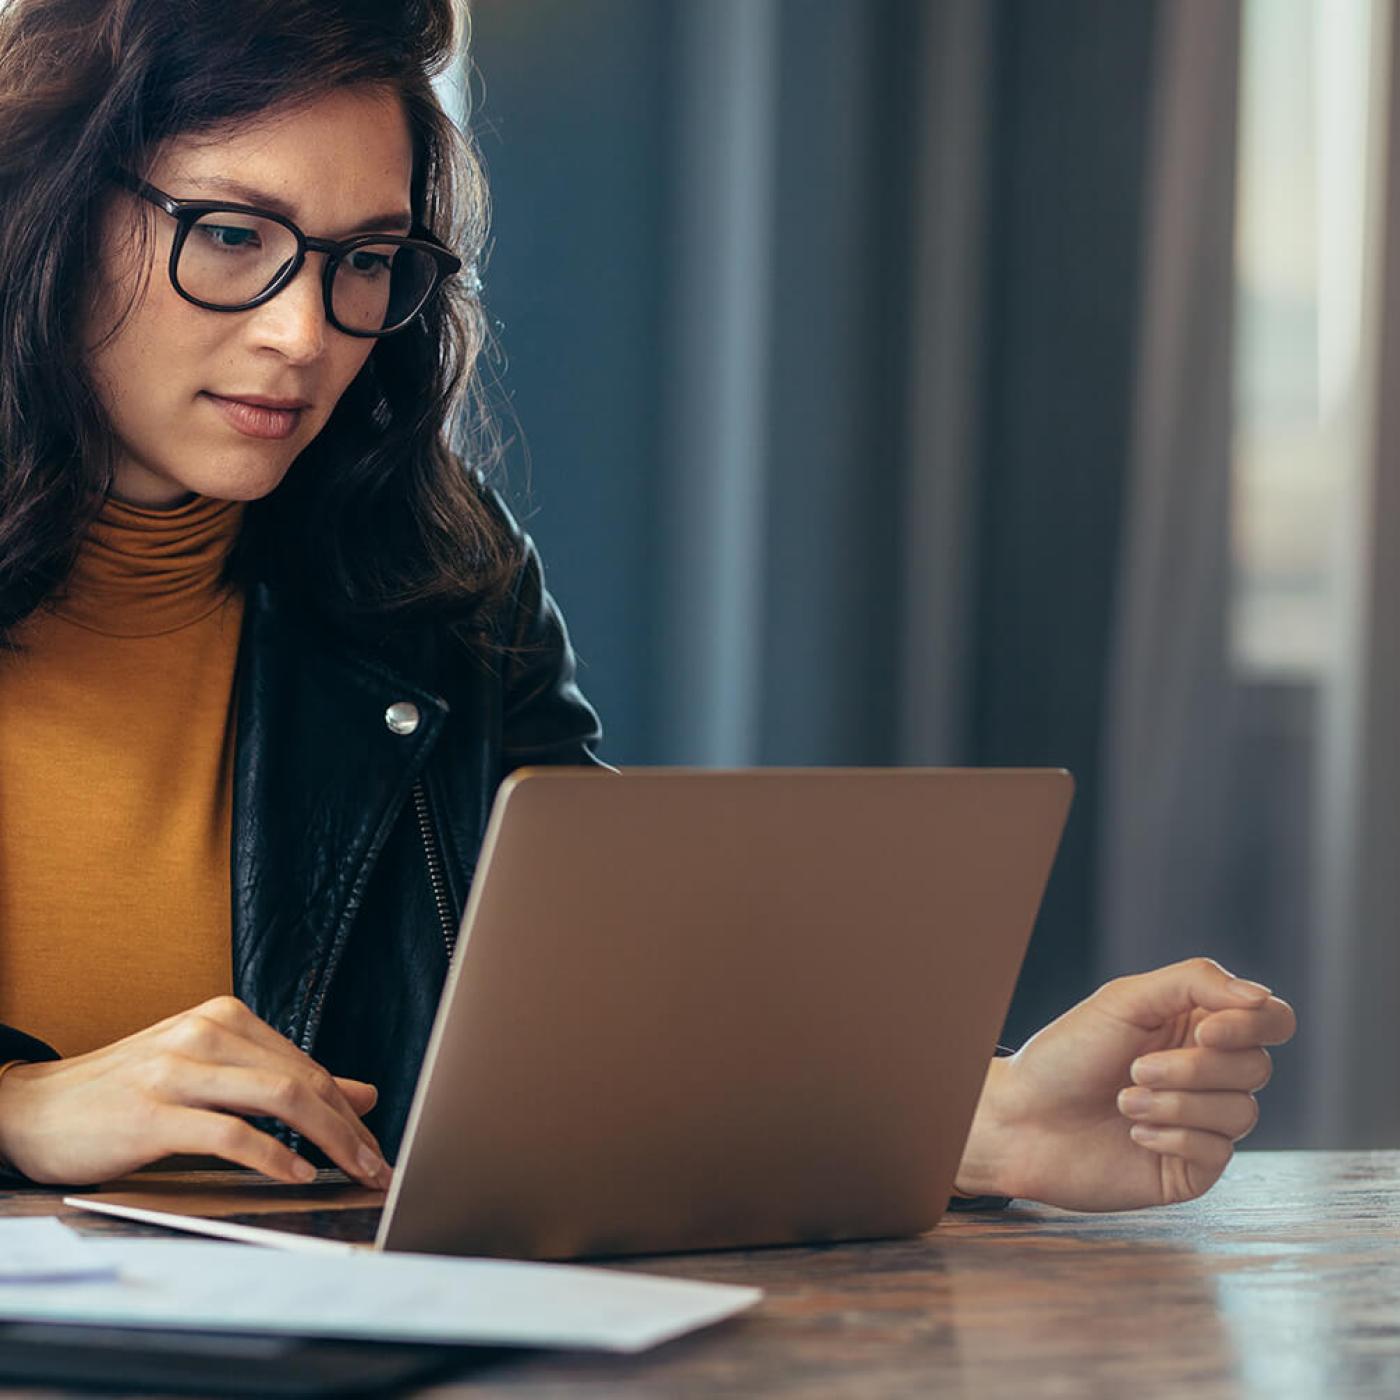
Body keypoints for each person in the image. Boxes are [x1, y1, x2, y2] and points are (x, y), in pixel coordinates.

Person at [0, 0, 1295, 1211]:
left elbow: (598, 1017)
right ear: (45, 206)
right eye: (232, 234)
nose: (307, 330)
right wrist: (20, 1109)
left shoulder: (432, 579)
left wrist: (986, 1118)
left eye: (366, 260)